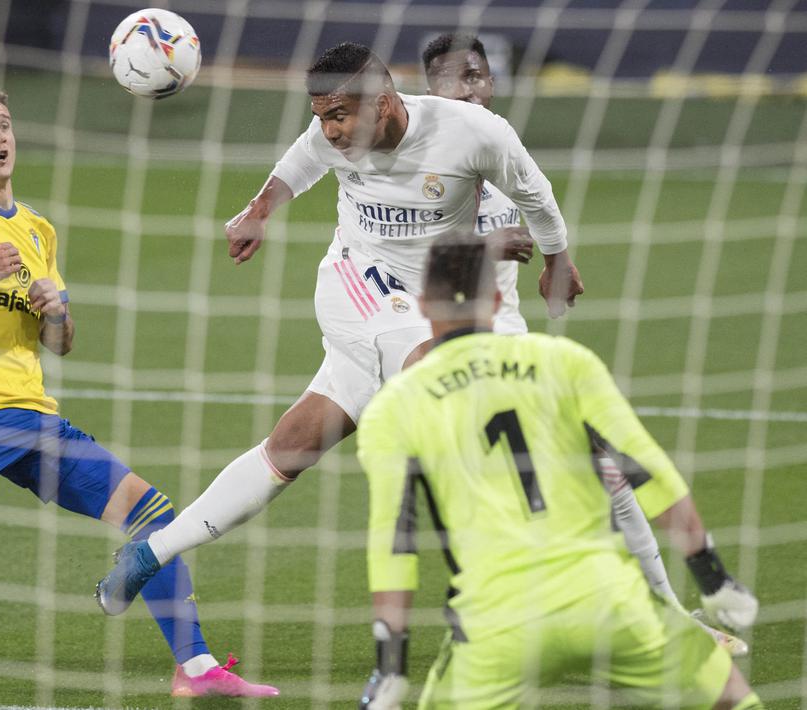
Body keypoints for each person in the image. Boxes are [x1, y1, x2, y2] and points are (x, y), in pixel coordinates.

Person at [98, 41, 584, 613]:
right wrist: (260, 210)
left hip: (426, 300)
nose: (329, 131)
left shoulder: (473, 133)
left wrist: (557, 261)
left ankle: (150, 553)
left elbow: (536, 195)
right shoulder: (336, 135)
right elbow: (301, 161)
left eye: (338, 116)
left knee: (289, 450)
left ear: (384, 103)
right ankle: (496, 576)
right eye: (321, 117)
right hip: (358, 285)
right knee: (446, 381)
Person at [0, 90, 277, 698]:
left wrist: (55, 313)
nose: (0, 135)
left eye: (5, 123)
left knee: (154, 515)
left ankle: (196, 668)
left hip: (35, 415)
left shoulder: (37, 230)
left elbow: (62, 343)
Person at [421, 32, 752, 654]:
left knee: (605, 473)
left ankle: (661, 616)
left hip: (511, 349)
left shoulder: (503, 155)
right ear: (428, 88)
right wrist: (484, 248)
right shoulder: (415, 163)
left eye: (477, 76)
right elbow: (404, 264)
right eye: (453, 78)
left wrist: (557, 264)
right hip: (442, 357)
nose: (469, 89)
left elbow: (544, 219)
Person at [354, 232, 760, 709]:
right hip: (605, 598)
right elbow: (648, 472)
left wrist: (391, 664)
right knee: (732, 701)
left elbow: (394, 542)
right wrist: (712, 578)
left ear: (423, 304)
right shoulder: (564, 361)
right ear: (497, 298)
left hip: (495, 620)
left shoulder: (395, 406)